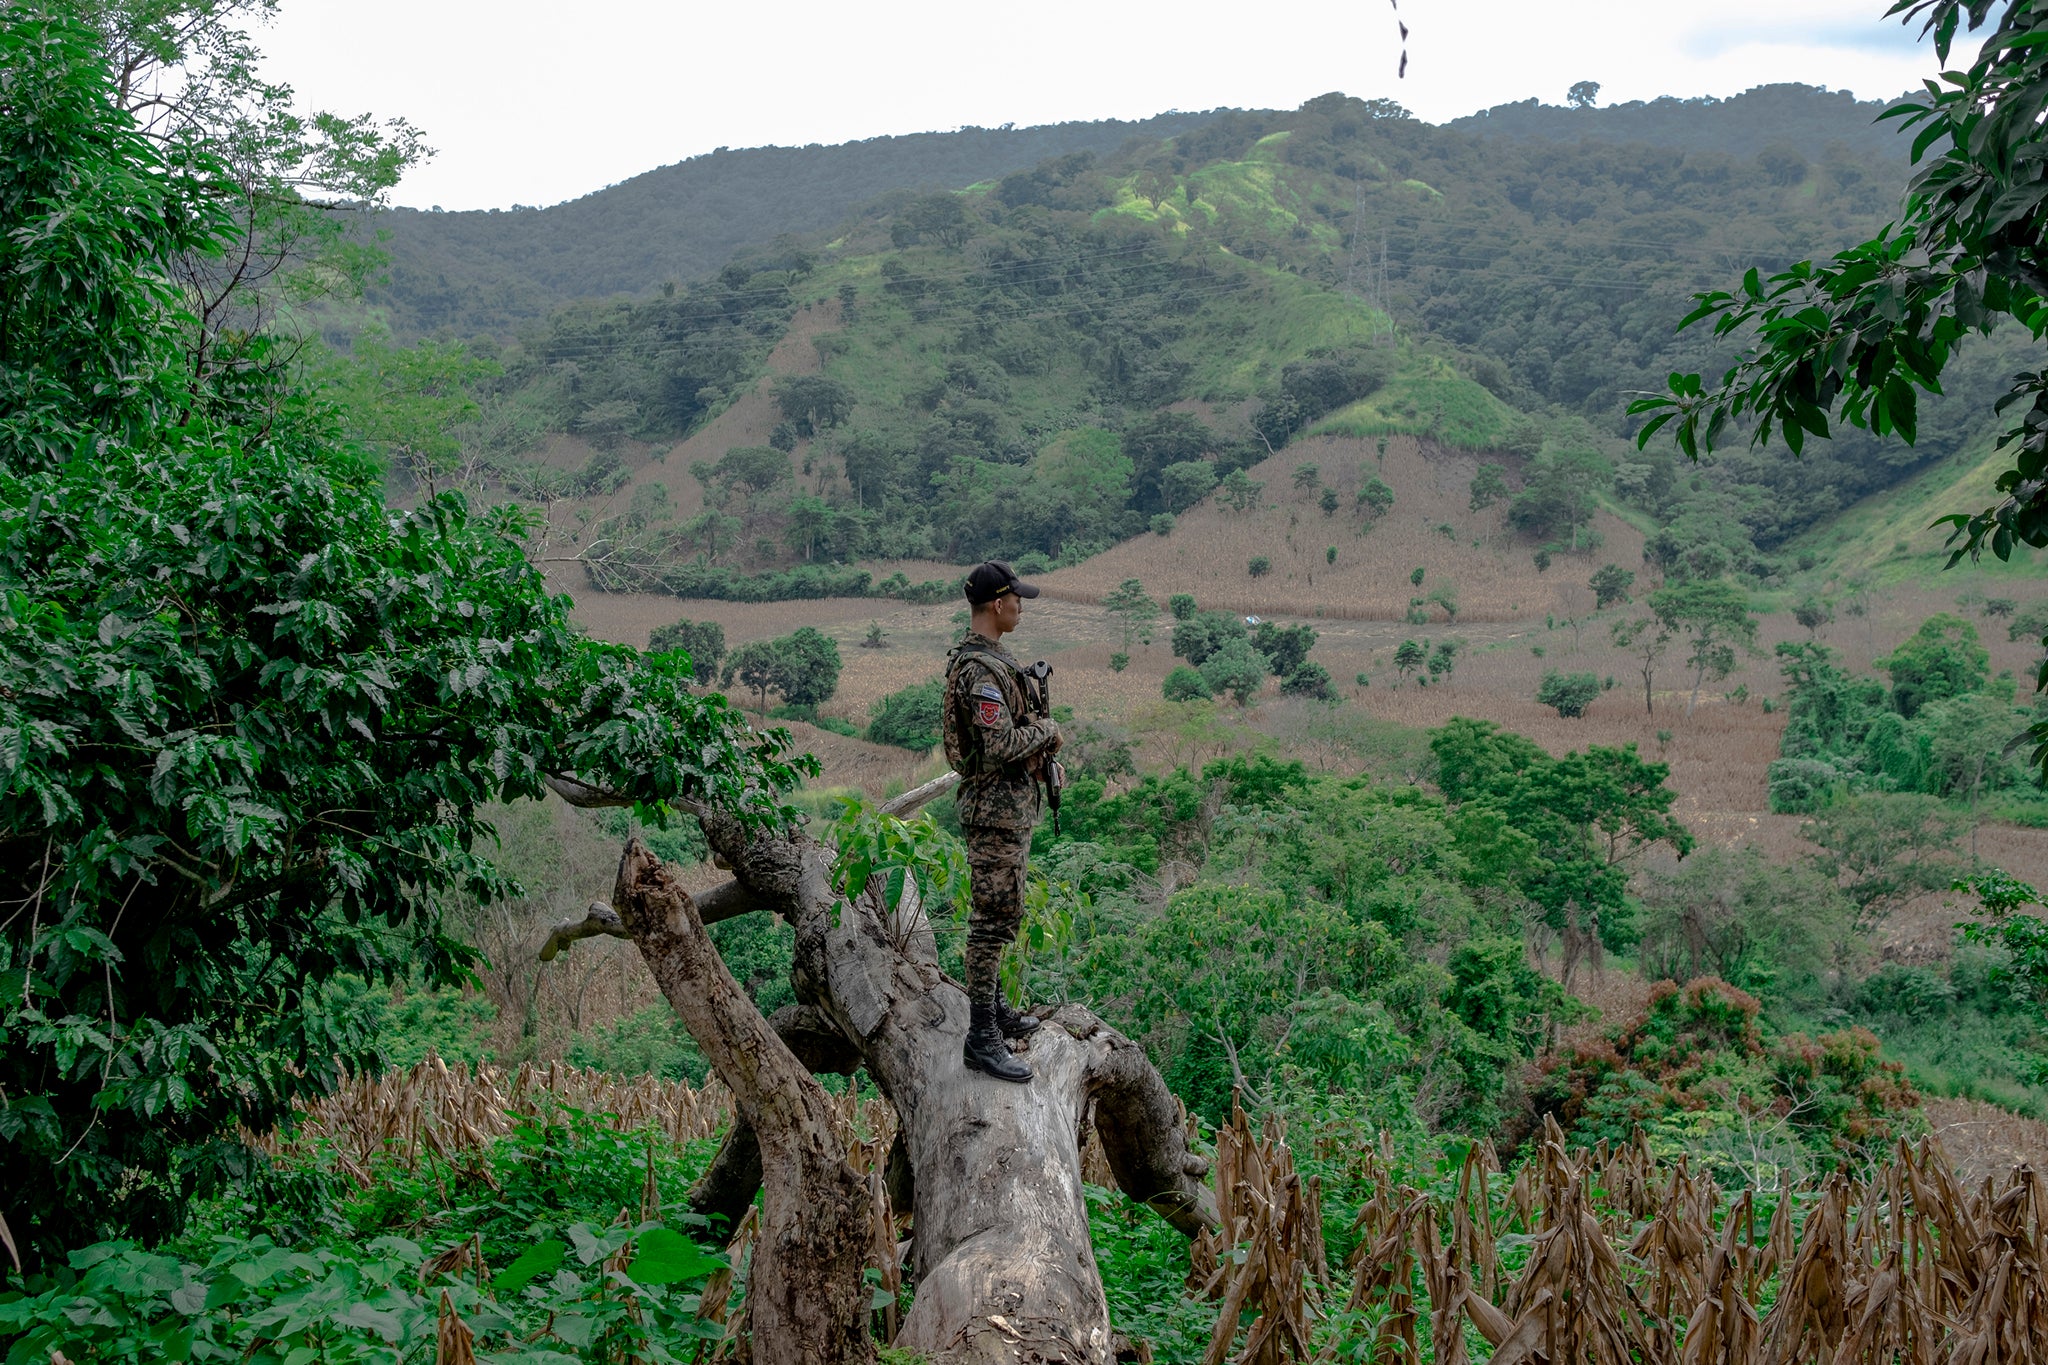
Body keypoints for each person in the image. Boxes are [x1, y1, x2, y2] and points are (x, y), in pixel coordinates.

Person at [941, 561, 1063, 1083]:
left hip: (1006, 810)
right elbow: (996, 746)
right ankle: (982, 1037)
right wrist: (1048, 731)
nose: (1022, 607)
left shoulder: (993, 660)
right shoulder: (980, 671)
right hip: (993, 811)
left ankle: (993, 1012)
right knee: (991, 924)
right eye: (1018, 599)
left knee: (1003, 911)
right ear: (998, 603)